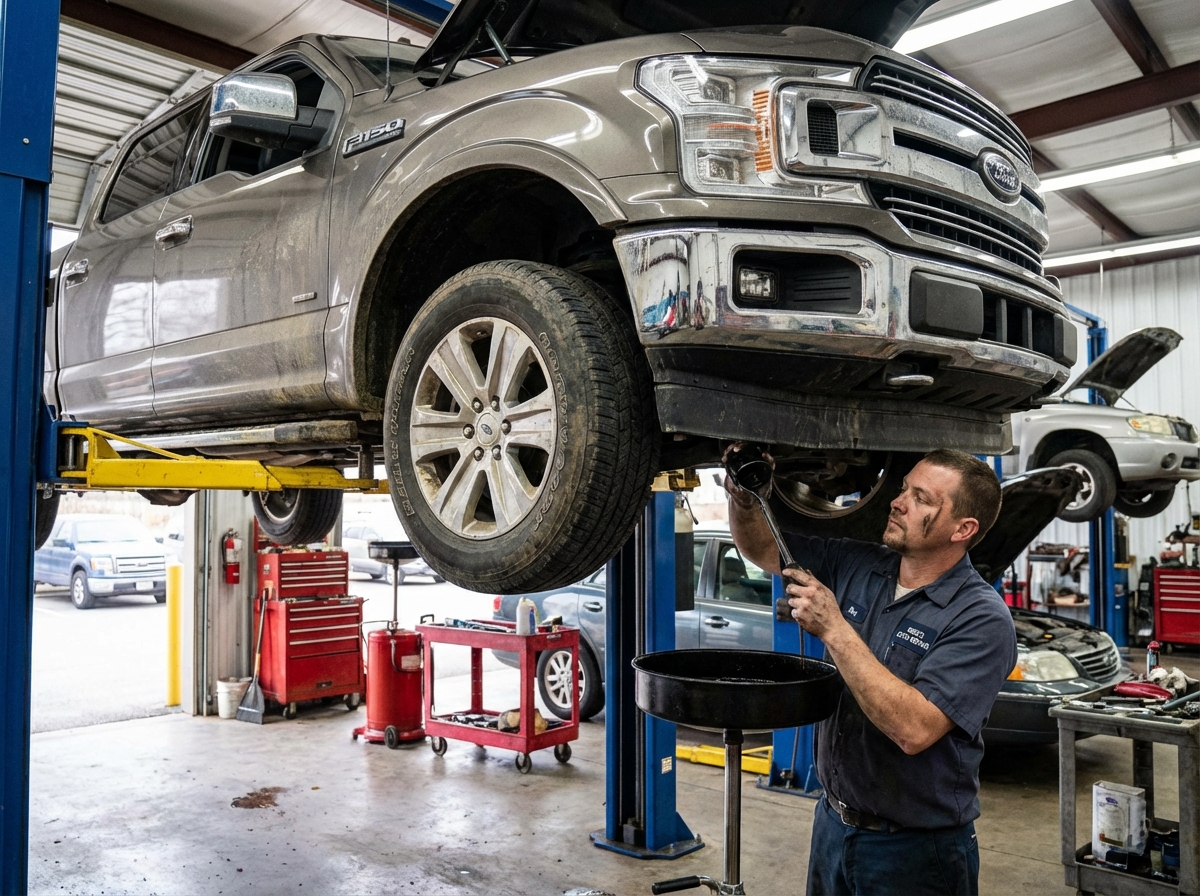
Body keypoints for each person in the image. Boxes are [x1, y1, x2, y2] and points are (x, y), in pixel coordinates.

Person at [726, 447, 1016, 896]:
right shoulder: (860, 563)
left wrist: (835, 629)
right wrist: (746, 498)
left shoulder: (980, 618)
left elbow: (913, 728)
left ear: (963, 529)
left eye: (921, 499)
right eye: (903, 490)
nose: (898, 502)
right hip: (833, 826)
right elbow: (764, 549)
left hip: (915, 852)